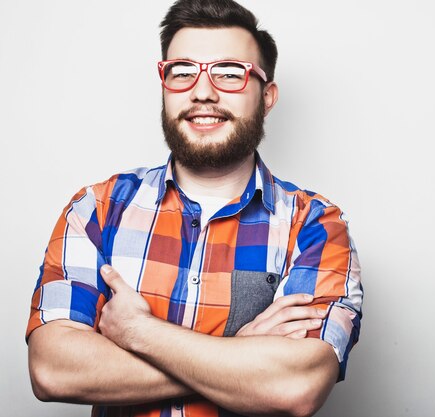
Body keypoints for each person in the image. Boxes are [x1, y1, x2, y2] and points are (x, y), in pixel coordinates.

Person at [25, 0, 363, 416]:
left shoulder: (315, 226)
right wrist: (238, 353)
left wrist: (138, 332)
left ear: (268, 96)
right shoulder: (96, 209)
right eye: (182, 72)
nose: (203, 92)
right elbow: (53, 370)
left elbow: (297, 386)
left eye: (229, 73)